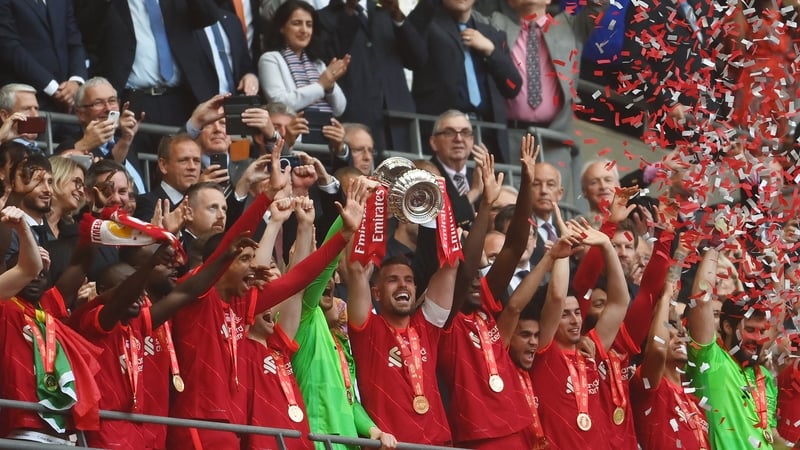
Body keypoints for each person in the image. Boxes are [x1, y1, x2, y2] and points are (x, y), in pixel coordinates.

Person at [167, 145, 369, 449]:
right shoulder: (199, 294)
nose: (254, 268)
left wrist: (341, 237)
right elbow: (232, 245)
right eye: (244, 259)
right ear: (223, 263)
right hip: (198, 425)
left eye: (252, 258)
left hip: (232, 428)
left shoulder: (241, 305)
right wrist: (264, 198)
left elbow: (296, 281)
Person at [69, 240, 240, 449]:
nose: (138, 295)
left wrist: (224, 258)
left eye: (139, 289)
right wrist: (149, 265)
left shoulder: (140, 322)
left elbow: (184, 293)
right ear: (103, 290)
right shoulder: (92, 323)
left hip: (150, 436)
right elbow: (118, 302)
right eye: (128, 287)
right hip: (109, 437)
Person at [489, 0, 607, 200]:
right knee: (508, 209)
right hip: (508, 138)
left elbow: (598, 5)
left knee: (552, 212)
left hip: (555, 139)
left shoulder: (571, 26)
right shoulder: (495, 23)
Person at [530, 218, 629, 449]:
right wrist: (563, 253)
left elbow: (619, 303)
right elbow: (556, 296)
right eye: (565, 315)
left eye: (577, 312)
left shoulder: (590, 349)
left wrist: (606, 246)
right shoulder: (544, 350)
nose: (575, 320)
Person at [686, 246, 779, 449]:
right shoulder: (711, 359)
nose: (758, 338)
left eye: (762, 331)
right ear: (728, 327)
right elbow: (701, 302)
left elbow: (771, 435)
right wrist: (715, 246)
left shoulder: (764, 376)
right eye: (751, 330)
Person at [407, 0, 521, 162]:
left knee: (488, 186)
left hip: (485, 136)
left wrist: (491, 51)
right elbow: (410, 53)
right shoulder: (428, 26)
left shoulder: (492, 34)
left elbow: (513, 86)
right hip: (443, 134)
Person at [318, 0, 424, 152]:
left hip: (398, 118)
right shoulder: (324, 17)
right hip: (356, 119)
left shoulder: (385, 10)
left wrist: (398, 17)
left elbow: (417, 59)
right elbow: (328, 60)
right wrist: (349, 11)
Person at [630, 280, 710, 449]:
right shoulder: (649, 386)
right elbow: (658, 350)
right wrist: (666, 297)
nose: (678, 340)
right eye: (670, 336)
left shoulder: (694, 402)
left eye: (680, 335)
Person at [56, 77, 146, 194]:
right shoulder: (71, 146)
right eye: (98, 103)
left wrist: (127, 139)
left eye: (112, 101)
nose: (108, 108)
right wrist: (86, 143)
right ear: (80, 113)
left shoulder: (127, 144)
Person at [259, 0, 348, 119]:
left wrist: (330, 86)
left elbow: (339, 109)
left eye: (309, 25)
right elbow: (280, 104)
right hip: (292, 134)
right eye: (297, 23)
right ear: (282, 28)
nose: (304, 30)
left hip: (326, 132)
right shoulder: (270, 59)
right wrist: (321, 86)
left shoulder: (317, 63)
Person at [0, 0, 87, 116]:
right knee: (32, 133)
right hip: (30, 103)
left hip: (69, 102)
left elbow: (74, 41)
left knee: (78, 134)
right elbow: (9, 47)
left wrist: (75, 82)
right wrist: (54, 90)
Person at [134, 134, 202, 223]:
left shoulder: (203, 205)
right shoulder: (145, 203)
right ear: (163, 165)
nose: (192, 167)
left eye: (196, 161)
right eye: (183, 160)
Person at [0, 84, 42, 151]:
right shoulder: (4, 152)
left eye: (36, 108)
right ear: (5, 116)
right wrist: (1, 137)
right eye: (26, 109)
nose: (35, 115)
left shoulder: (38, 150)